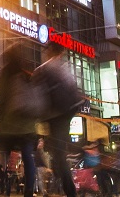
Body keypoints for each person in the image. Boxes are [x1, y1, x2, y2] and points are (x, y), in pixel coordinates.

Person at [32, 42, 83, 197]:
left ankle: (67, 190)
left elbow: (37, 91)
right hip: (65, 114)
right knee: (58, 153)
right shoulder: (64, 69)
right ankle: (64, 187)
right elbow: (75, 93)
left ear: (50, 52)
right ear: (60, 54)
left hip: (54, 116)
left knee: (58, 155)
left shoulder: (43, 69)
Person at [0, 47, 40, 197]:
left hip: (11, 124)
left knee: (10, 158)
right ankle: (29, 189)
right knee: (28, 156)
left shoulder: (7, 73)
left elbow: (0, 97)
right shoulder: (28, 72)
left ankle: (8, 187)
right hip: (28, 125)